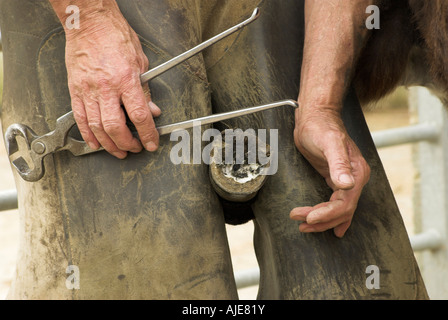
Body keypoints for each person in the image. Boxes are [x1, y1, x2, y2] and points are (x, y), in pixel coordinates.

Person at [0, 0, 428, 299]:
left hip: (272, 10)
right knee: (139, 273)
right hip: (91, 16)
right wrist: (88, 21)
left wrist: (321, 105)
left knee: (357, 275)